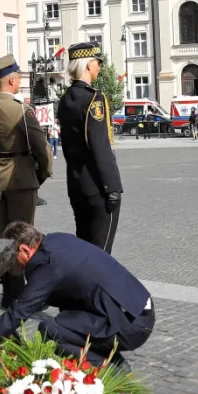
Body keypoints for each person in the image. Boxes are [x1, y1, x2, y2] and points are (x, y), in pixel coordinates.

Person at [0, 222, 154, 369]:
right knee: (65, 320)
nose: (13, 264)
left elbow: (19, 312)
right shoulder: (57, 240)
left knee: (51, 330)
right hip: (138, 306)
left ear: (25, 250)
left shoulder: (46, 268)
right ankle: (107, 359)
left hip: (131, 324)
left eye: (13, 257)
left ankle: (112, 367)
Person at [0, 54, 53, 306]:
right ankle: (18, 292)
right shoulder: (21, 110)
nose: (20, 80)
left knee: (2, 233)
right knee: (23, 233)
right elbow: (42, 148)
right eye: (19, 77)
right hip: (21, 177)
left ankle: (7, 290)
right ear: (11, 80)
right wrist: (41, 174)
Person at [56, 41, 123, 252]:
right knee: (101, 254)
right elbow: (99, 145)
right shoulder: (95, 99)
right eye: (97, 62)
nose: (99, 67)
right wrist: (112, 187)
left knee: (84, 250)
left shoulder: (65, 100)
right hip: (98, 187)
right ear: (87, 65)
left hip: (76, 185)